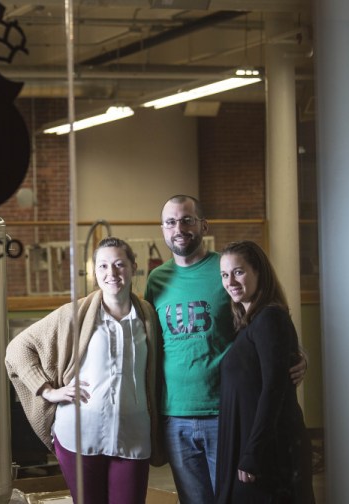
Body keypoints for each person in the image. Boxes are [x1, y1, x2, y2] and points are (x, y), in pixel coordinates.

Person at [144, 195, 307, 504]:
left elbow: (262, 323)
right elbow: (153, 344)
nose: (179, 228)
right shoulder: (156, 280)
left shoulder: (225, 268)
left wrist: (298, 356)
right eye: (171, 222)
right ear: (163, 229)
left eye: (187, 220)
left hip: (224, 413)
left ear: (203, 225)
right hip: (175, 415)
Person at [5, 237, 166, 504]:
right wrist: (48, 391)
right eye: (102, 266)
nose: (111, 273)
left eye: (119, 265)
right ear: (94, 273)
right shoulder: (75, 314)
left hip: (134, 435)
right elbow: (18, 348)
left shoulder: (147, 316)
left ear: (133, 267)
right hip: (79, 435)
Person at [215, 241, 314, 504]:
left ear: (259, 272)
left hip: (268, 451)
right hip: (253, 444)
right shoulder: (252, 323)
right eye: (225, 275)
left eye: (239, 272)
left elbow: (273, 390)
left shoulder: (270, 318)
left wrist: (253, 453)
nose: (231, 281)